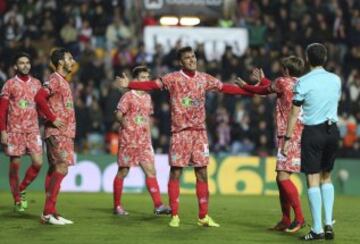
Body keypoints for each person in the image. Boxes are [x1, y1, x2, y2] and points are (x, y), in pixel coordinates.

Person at [116, 46, 253, 228]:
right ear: (181, 62)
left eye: (193, 56)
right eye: (187, 58)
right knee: (176, 172)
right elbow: (152, 85)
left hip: (199, 134)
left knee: (202, 173)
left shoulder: (204, 78)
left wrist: (250, 90)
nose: (191, 60)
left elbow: (225, 88)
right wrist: (130, 85)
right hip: (180, 133)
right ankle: (175, 215)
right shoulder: (173, 78)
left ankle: (203, 216)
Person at [237, 56, 305, 233]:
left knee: (283, 177)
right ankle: (285, 219)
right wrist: (264, 80)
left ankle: (299, 218)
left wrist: (245, 86)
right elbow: (274, 88)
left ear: (286, 71)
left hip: (288, 135)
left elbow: (264, 91)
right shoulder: (303, 83)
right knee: (280, 177)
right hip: (301, 133)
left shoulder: (283, 81)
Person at [282, 43, 341, 241]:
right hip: (333, 131)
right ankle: (328, 222)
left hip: (313, 132)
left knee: (312, 180)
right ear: (325, 58)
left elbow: (294, 112)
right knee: (327, 177)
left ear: (307, 59)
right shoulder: (336, 80)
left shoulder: (303, 82)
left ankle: (317, 229)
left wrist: (288, 138)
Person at [113, 65, 171, 216]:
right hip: (128, 140)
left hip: (144, 142)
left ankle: (158, 205)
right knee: (123, 171)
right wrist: (123, 122)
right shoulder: (128, 96)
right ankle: (117, 205)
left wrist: (150, 140)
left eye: (147, 77)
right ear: (136, 80)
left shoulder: (147, 97)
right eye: (143, 77)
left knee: (151, 171)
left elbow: (146, 119)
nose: (146, 80)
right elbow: (118, 113)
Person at [35, 48, 76, 225]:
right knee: (62, 168)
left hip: (64, 132)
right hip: (57, 132)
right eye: (69, 58)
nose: (72, 61)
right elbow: (39, 97)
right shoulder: (55, 79)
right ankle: (47, 212)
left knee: (54, 170)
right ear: (60, 62)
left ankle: (51, 212)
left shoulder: (64, 82)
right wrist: (53, 118)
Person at [0, 52, 43, 212]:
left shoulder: (37, 84)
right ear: (15, 66)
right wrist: (3, 131)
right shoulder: (9, 84)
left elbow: (42, 107)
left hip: (33, 130)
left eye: (27, 62)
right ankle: (17, 199)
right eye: (22, 63)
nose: (25, 65)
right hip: (15, 130)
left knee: (38, 163)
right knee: (15, 166)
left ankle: (22, 188)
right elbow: (2, 111)